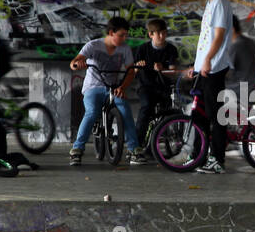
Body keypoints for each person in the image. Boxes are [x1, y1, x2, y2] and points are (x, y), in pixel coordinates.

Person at [69, 17, 148, 166]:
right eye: (121, 35)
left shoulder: (124, 48)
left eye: (126, 35)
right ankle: (77, 150)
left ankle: (134, 150)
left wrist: (122, 87)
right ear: (111, 33)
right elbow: (75, 61)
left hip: (113, 87)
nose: (124, 38)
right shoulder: (93, 45)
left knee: (125, 110)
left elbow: (130, 71)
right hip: (93, 87)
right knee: (92, 112)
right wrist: (77, 64)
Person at [187, 0, 234, 174]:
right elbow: (205, 40)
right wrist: (197, 65)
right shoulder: (211, 3)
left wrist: (207, 60)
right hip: (206, 67)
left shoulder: (220, 4)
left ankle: (217, 159)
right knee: (200, 115)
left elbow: (219, 37)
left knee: (216, 116)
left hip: (214, 68)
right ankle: (199, 155)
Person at [132, 17, 180, 133]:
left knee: (171, 110)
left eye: (164, 33)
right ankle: (137, 142)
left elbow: (173, 72)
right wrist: (138, 67)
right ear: (150, 35)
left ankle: (165, 137)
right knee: (146, 107)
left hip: (164, 87)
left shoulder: (171, 49)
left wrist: (162, 69)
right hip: (145, 86)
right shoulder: (142, 49)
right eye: (158, 34)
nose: (162, 36)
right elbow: (133, 71)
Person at [228, 16, 255, 122]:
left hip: (236, 91)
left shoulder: (236, 46)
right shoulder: (250, 42)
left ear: (231, 29)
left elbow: (226, 71)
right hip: (249, 90)